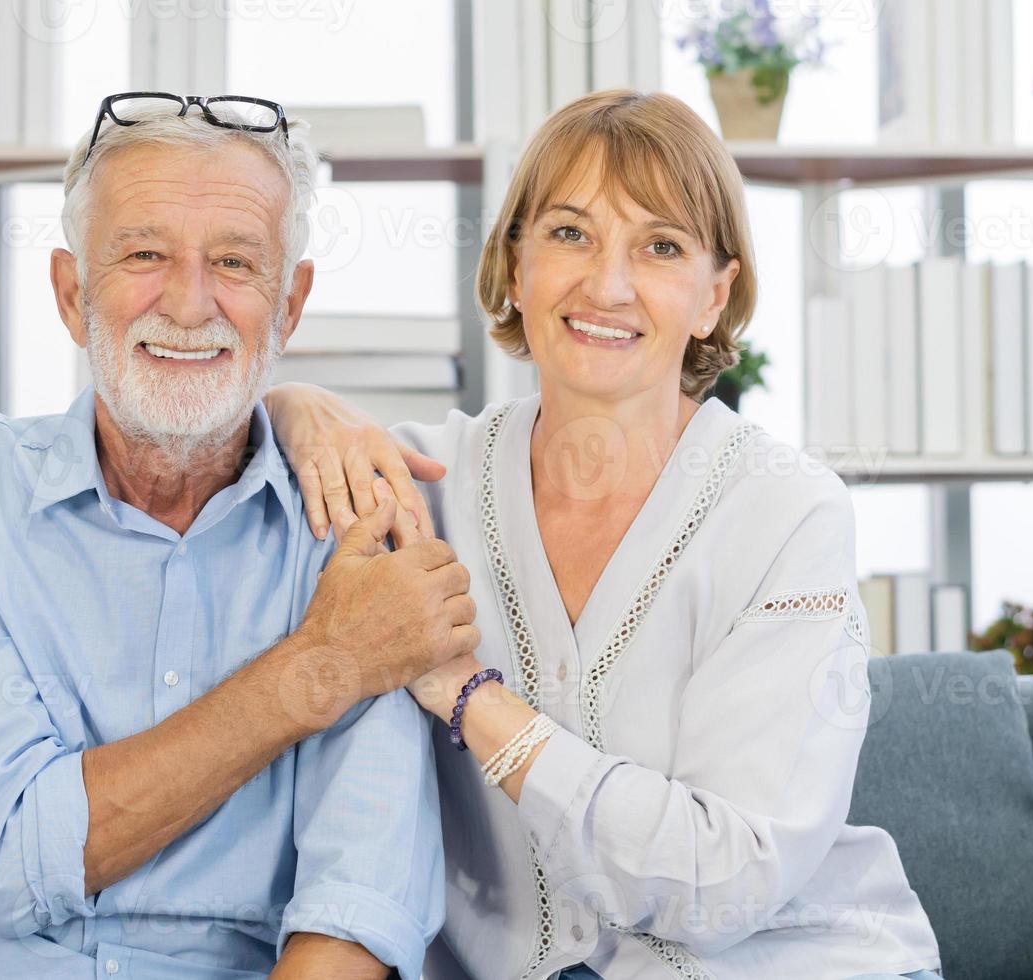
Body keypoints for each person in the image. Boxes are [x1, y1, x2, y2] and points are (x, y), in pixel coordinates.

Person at [265, 89, 945, 980]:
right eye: (570, 234)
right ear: (515, 266)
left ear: (714, 295)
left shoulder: (786, 511)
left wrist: (471, 697)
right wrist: (295, 406)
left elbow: (724, 879)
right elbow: (232, 449)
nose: (608, 285)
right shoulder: (416, 484)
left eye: (660, 246)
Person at [0, 93, 477, 980]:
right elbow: (6, 863)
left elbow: (359, 903)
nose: (189, 302)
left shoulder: (360, 516)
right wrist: (322, 663)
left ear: (289, 306)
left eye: (236, 262)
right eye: (143, 254)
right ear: (69, 292)